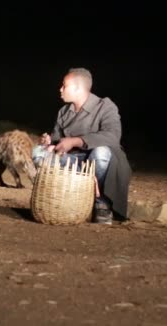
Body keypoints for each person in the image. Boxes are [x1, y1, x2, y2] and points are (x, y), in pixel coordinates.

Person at [37, 68, 132, 225]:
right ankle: (61, 199)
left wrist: (75, 141)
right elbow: (57, 139)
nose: (60, 89)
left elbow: (113, 136)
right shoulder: (64, 112)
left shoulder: (106, 107)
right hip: (74, 161)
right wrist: (49, 142)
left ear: (78, 88)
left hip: (100, 161)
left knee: (101, 152)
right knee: (39, 153)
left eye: (64, 86)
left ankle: (102, 204)